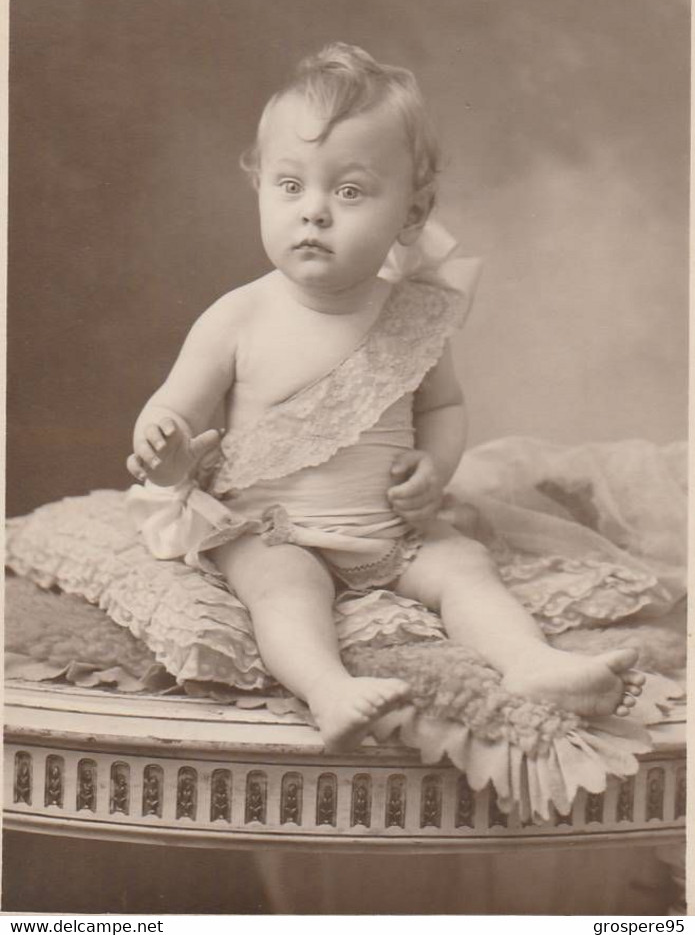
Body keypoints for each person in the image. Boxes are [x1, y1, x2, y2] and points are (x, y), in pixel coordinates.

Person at [127, 43, 644, 750]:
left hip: (387, 534)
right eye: (288, 185)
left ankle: (531, 663)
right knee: (284, 589)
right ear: (259, 188)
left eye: (348, 191)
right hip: (273, 525)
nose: (312, 212)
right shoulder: (237, 317)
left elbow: (441, 406)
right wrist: (166, 450)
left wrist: (434, 468)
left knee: (464, 566)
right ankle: (327, 688)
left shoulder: (410, 313)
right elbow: (175, 409)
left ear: (412, 210)